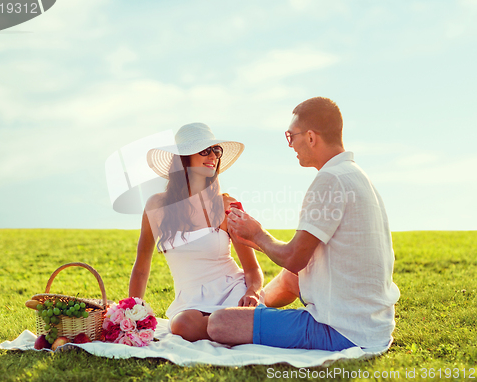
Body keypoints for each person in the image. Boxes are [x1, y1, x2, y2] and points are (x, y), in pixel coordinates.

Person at [207, 97, 401, 352]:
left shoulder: (330, 179)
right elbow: (296, 271)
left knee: (219, 323)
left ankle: (248, 315)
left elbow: (294, 258)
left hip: (340, 331)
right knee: (293, 278)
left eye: (291, 136)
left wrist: (257, 234)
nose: (291, 144)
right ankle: (258, 306)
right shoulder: (354, 175)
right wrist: (256, 293)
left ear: (311, 137)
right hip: (370, 326)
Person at [128, 123, 263, 342]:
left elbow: (252, 269)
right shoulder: (157, 206)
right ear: (184, 158)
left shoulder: (227, 206)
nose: (213, 156)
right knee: (182, 325)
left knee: (223, 318)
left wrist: (252, 292)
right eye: (205, 150)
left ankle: (237, 326)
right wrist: (131, 312)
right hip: (189, 304)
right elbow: (142, 265)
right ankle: (240, 329)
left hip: (233, 293)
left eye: (216, 151)